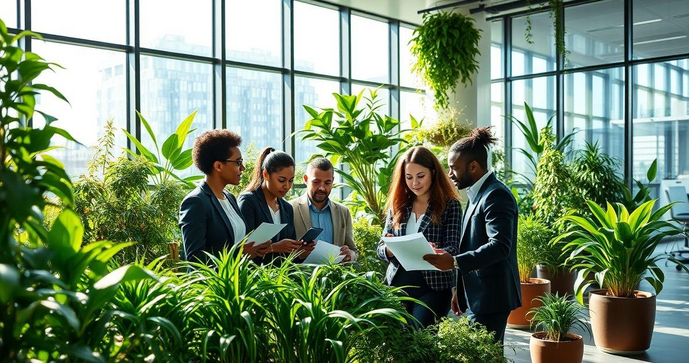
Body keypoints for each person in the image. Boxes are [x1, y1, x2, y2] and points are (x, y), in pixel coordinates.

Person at [423, 127, 521, 345]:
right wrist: (459, 288)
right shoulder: (477, 194)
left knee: (484, 355)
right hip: (479, 295)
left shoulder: (496, 195)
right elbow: (471, 244)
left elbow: (500, 246)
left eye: (453, 168)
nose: (449, 175)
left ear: (473, 167)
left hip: (493, 296)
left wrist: (455, 262)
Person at [376, 146, 462, 328]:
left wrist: (434, 251)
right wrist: (389, 250)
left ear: (433, 172)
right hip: (398, 285)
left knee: (422, 338)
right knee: (399, 345)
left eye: (420, 176)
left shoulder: (450, 205)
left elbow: (453, 248)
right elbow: (381, 247)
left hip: (434, 287)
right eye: (409, 177)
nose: (415, 182)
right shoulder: (399, 204)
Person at [179, 130, 270, 265]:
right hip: (212, 285)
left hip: (236, 282)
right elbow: (195, 259)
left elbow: (237, 242)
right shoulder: (196, 202)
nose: (243, 168)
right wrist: (239, 254)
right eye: (238, 162)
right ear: (218, 166)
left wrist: (254, 249)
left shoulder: (230, 198)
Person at [238, 147, 313, 265]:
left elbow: (289, 256)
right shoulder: (249, 201)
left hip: (281, 277)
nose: (287, 186)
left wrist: (300, 250)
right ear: (266, 174)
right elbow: (243, 248)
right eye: (281, 180)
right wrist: (275, 247)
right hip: (255, 277)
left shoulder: (287, 208)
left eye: (291, 180)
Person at [289, 157, 357, 263]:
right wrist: (299, 254)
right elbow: (280, 255)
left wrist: (350, 255)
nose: (322, 188)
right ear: (306, 179)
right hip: (301, 277)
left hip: (334, 277)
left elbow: (353, 250)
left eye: (327, 183)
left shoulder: (343, 212)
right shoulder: (290, 209)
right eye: (316, 182)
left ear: (333, 181)